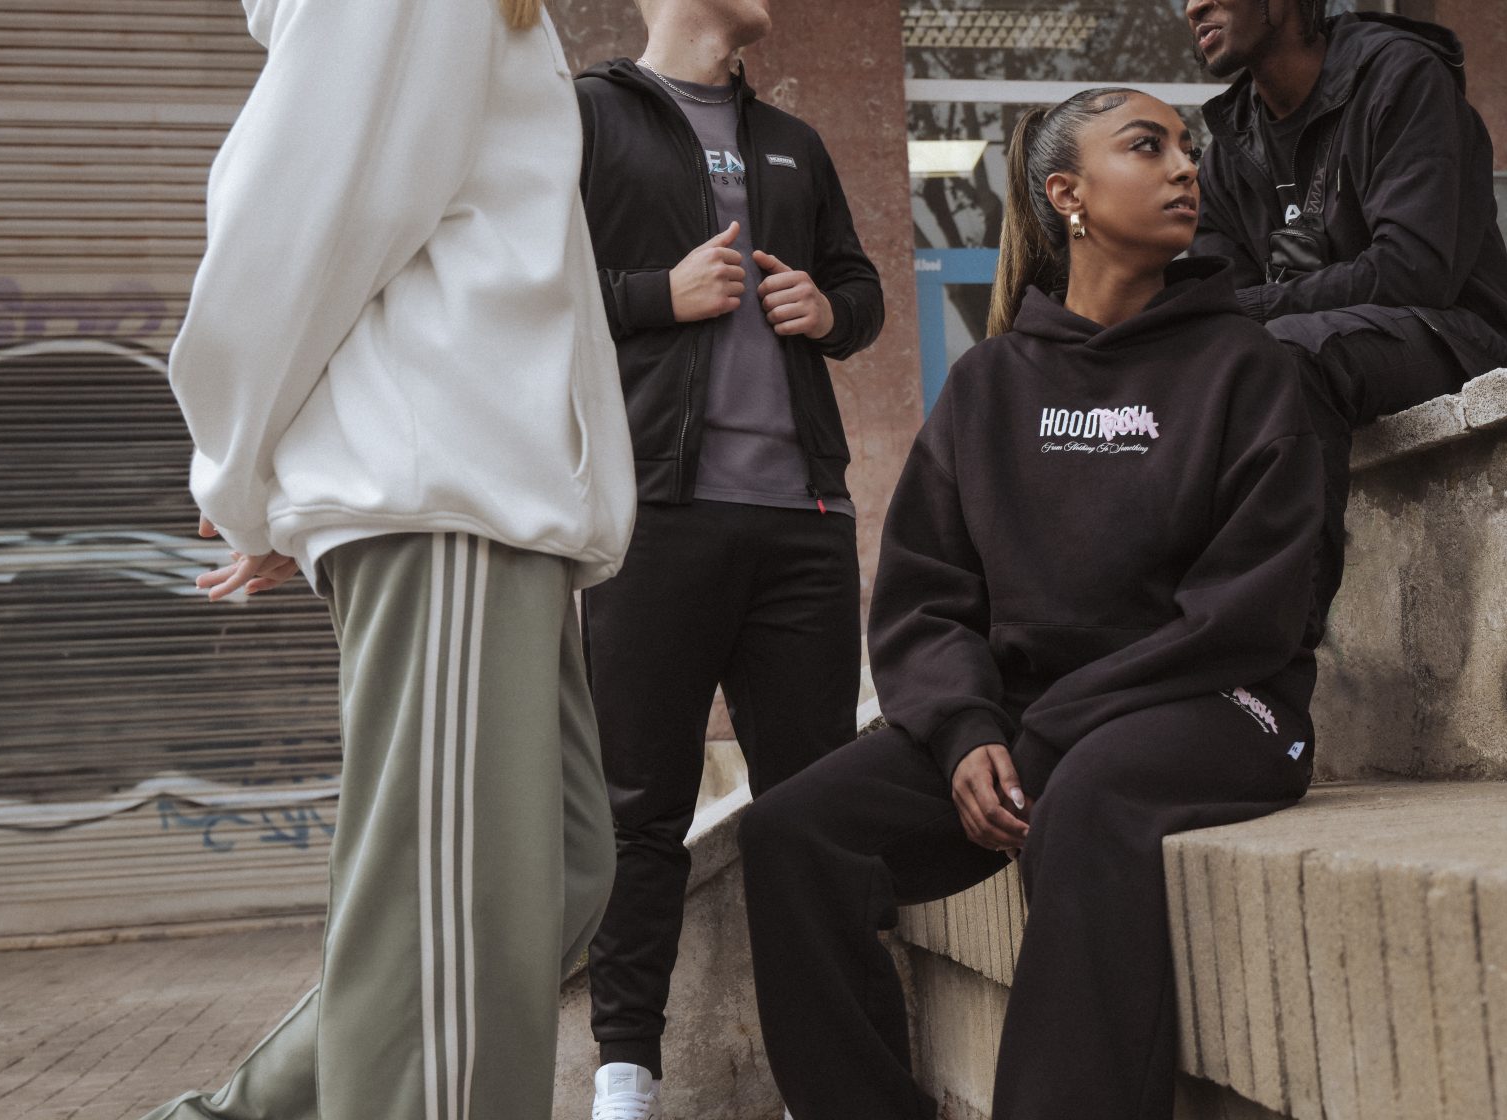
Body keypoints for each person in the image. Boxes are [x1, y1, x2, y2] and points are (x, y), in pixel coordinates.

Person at [738, 88, 1326, 1120]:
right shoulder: (990, 384)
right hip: (1025, 725)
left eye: (1187, 148)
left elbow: (1250, 613)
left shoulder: (1251, 369)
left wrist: (1046, 731)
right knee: (793, 834)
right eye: (1147, 146)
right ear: (1067, 194)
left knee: (1092, 789)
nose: (1185, 167)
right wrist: (966, 730)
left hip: (1219, 703)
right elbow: (926, 597)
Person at [137, 0, 634, 1116]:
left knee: (552, 874)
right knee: (450, 937)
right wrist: (247, 479)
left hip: (495, 502)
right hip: (445, 490)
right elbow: (298, 218)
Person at [569, 1, 884, 1116]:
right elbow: (525, 296)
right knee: (639, 812)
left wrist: (828, 310)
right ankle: (626, 1080)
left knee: (814, 815)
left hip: (803, 519)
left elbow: (863, 293)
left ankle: (829, 1084)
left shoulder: (793, 139)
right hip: (658, 515)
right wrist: (657, 295)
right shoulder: (588, 117)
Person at [1186, 0, 1507, 633]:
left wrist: (1260, 307)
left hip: (1458, 338)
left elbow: (1415, 269)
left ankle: (1278, 648)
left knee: (1285, 353)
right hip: (1331, 357)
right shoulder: (1231, 142)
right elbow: (1219, 309)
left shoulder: (1399, 75)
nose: (1193, 6)